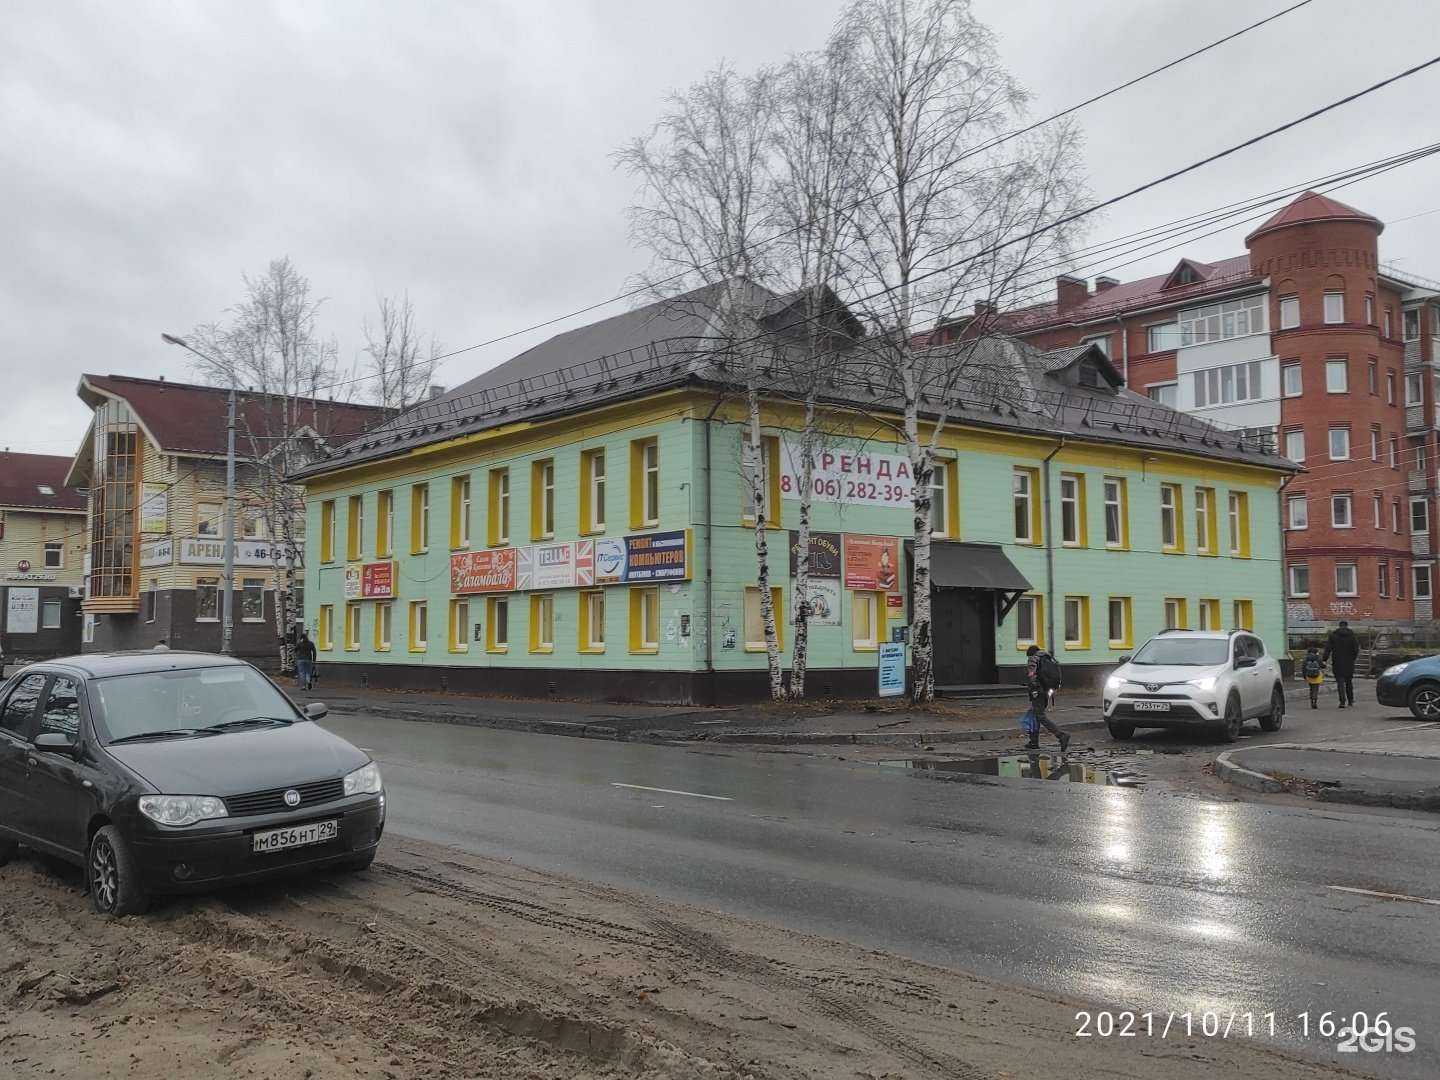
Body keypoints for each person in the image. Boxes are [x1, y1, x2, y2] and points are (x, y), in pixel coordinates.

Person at [1024, 644, 1070, 752]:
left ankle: (1062, 735)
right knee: (1034, 715)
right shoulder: (1048, 658)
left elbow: (1032, 675)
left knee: (1040, 716)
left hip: (1038, 691)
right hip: (1046, 690)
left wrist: (1034, 689)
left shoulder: (1033, 659)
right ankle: (1034, 742)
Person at [1322, 620, 1360, 708]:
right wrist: (1353, 659)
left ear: (1339, 626)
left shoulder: (1333, 636)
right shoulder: (1352, 636)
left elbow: (1328, 649)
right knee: (1349, 682)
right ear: (1347, 625)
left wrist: (1324, 659)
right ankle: (1350, 701)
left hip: (1337, 662)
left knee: (1340, 682)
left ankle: (1342, 701)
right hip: (1349, 663)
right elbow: (1356, 649)